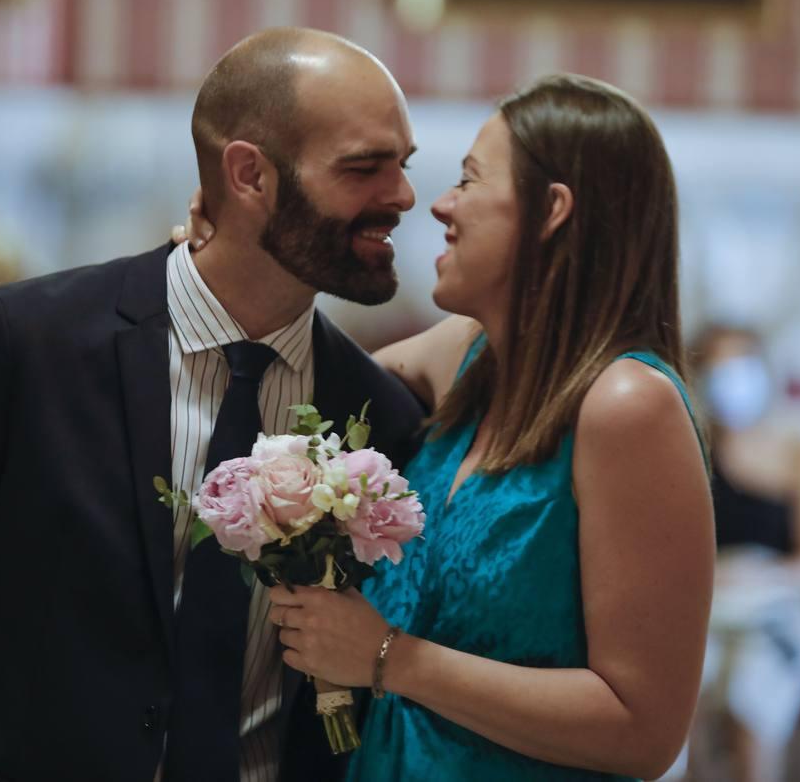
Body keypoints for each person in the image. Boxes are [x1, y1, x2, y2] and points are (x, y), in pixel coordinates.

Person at [0, 28, 425, 782]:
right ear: (250, 176)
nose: (401, 197)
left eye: (404, 166)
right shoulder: (19, 346)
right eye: (365, 168)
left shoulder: (377, 415)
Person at [187, 75, 716, 780]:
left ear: (552, 210)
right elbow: (314, 371)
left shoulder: (626, 404)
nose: (439, 204)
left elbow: (645, 730)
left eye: (469, 180)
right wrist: (228, 258)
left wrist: (389, 659)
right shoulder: (470, 357)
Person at [685, 324, 800, 782]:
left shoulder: (798, 449)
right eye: (716, 369)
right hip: (707, 609)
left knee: (751, 699)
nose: (730, 382)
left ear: (764, 371)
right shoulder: (690, 451)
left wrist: (755, 578)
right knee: (680, 695)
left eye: (739, 367)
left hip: (781, 611)